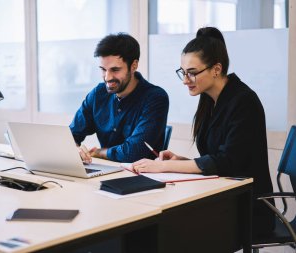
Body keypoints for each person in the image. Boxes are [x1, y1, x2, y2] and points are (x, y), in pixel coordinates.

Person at [132, 27, 275, 235]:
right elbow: (214, 156)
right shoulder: (209, 100)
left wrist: (164, 167)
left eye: (192, 73)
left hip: (248, 206)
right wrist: (179, 160)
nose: (185, 80)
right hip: (224, 196)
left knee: (172, 229)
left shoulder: (243, 101)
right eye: (183, 72)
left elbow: (227, 162)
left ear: (216, 69)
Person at [70, 33, 169, 163]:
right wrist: (75, 149)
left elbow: (134, 153)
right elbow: (70, 136)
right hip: (105, 171)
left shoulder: (155, 98)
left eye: (115, 70)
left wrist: (100, 152)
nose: (107, 77)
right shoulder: (98, 93)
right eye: (103, 70)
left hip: (140, 176)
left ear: (134, 66)